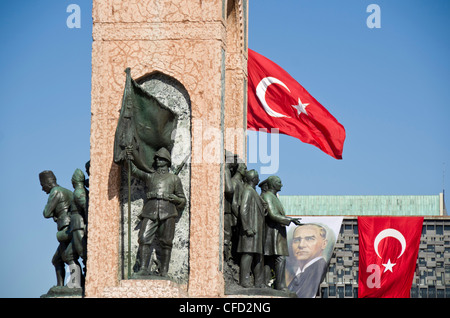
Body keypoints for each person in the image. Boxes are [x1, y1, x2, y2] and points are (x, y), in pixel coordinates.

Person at [126, 147, 186, 277]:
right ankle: (143, 268)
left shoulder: (174, 179)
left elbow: (183, 200)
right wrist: (129, 158)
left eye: (161, 158)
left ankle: (164, 270)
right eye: (157, 158)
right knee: (143, 238)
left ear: (167, 161)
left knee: (166, 242)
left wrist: (176, 199)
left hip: (168, 211)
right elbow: (134, 171)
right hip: (150, 210)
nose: (158, 160)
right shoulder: (150, 176)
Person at [261, 176, 301, 290]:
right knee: (279, 258)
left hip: (277, 233)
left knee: (271, 259)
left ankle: (268, 283)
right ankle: (280, 285)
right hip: (272, 233)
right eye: (279, 182)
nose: (281, 185)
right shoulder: (268, 196)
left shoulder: (273, 197)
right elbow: (272, 214)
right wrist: (289, 220)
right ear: (273, 184)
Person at [39, 170, 77, 287]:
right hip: (71, 226)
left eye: (43, 186)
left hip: (65, 228)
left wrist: (53, 213)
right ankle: (61, 286)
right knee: (58, 259)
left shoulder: (55, 192)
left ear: (48, 183)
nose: (42, 189)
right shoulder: (69, 192)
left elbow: (46, 213)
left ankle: (75, 284)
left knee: (68, 257)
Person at [237, 169, 266, 288]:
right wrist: (247, 227)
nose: (259, 179)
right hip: (250, 230)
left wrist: (264, 207)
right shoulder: (248, 191)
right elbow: (243, 210)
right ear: (254, 179)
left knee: (257, 256)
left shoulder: (253, 192)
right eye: (257, 177)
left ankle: (259, 282)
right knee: (248, 255)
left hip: (257, 231)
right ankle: (244, 281)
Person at [287, 224, 329, 298]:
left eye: (309, 239)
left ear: (324, 244)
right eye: (296, 240)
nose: (301, 245)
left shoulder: (320, 271)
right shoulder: (298, 274)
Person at [70, 168, 88, 272]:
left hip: (78, 225)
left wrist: (88, 223)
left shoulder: (78, 192)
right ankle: (75, 282)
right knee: (69, 254)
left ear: (74, 181)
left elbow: (86, 207)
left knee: (82, 252)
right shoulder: (82, 191)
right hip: (77, 224)